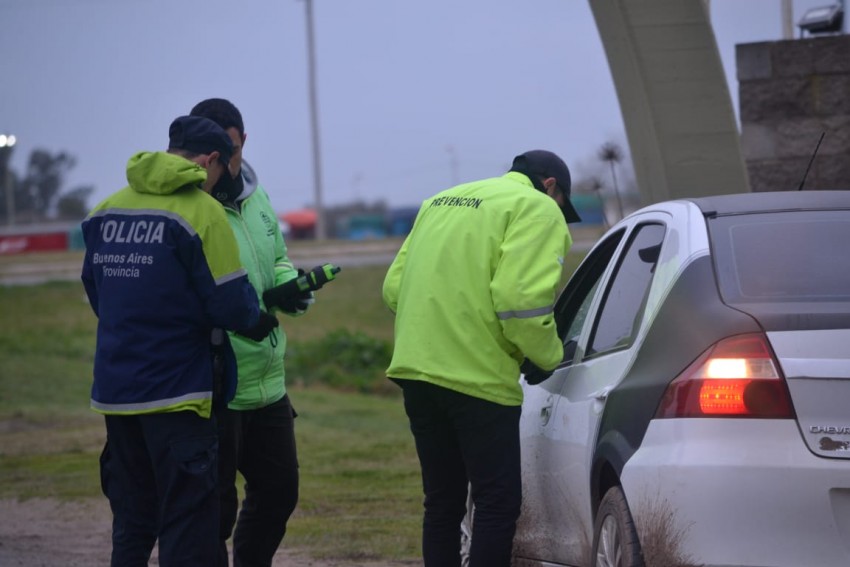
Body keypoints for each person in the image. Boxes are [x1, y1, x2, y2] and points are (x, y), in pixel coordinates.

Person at [81, 115, 280, 566]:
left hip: (116, 394)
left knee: (131, 523)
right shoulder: (202, 212)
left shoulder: (105, 210)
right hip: (179, 394)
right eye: (223, 172)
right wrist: (258, 321)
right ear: (211, 161)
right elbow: (231, 304)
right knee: (187, 522)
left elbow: (98, 295)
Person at [383, 150, 581, 567]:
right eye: (563, 204)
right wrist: (548, 354)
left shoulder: (441, 201)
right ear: (551, 187)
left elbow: (393, 289)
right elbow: (520, 301)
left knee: (442, 502)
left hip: (416, 371)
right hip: (479, 379)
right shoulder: (538, 208)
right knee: (497, 503)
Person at [189, 98, 312, 567]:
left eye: (232, 148)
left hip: (268, 377)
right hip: (219, 381)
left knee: (280, 493)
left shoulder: (256, 195)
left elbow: (277, 255)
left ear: (242, 140)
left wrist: (287, 287)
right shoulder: (190, 204)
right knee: (214, 511)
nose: (222, 162)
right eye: (213, 153)